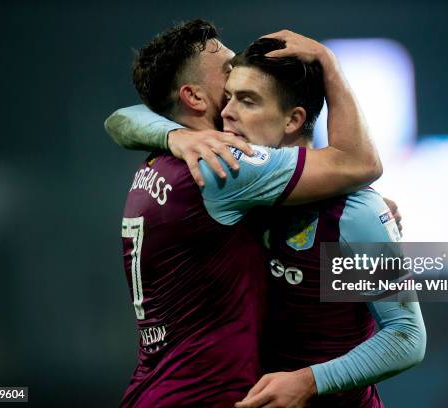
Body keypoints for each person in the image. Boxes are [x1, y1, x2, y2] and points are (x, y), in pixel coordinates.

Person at [108, 28, 426, 408]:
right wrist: (175, 135)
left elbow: (407, 335)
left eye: (246, 100)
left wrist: (310, 381)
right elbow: (119, 119)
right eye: (226, 97)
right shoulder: (235, 187)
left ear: (292, 120)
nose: (227, 112)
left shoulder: (356, 212)